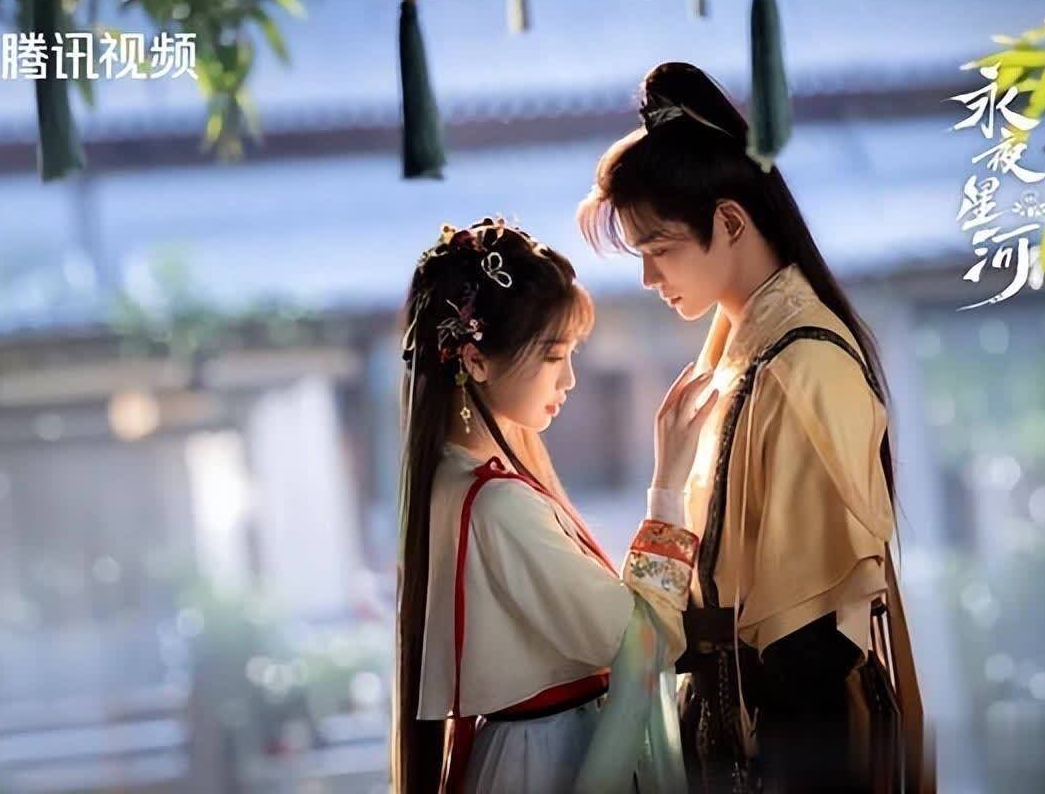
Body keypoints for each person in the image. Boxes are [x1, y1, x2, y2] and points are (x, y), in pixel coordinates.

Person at [578, 62, 930, 793]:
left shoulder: (803, 366)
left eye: (660, 250)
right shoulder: (743, 347)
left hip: (793, 747)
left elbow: (811, 638)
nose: (649, 279)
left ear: (731, 222)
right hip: (738, 728)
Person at [390, 217, 716, 793]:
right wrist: (668, 484)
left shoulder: (454, 478)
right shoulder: (497, 503)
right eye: (551, 356)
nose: (568, 380)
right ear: (475, 360)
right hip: (548, 757)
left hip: (526, 750)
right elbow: (637, 639)